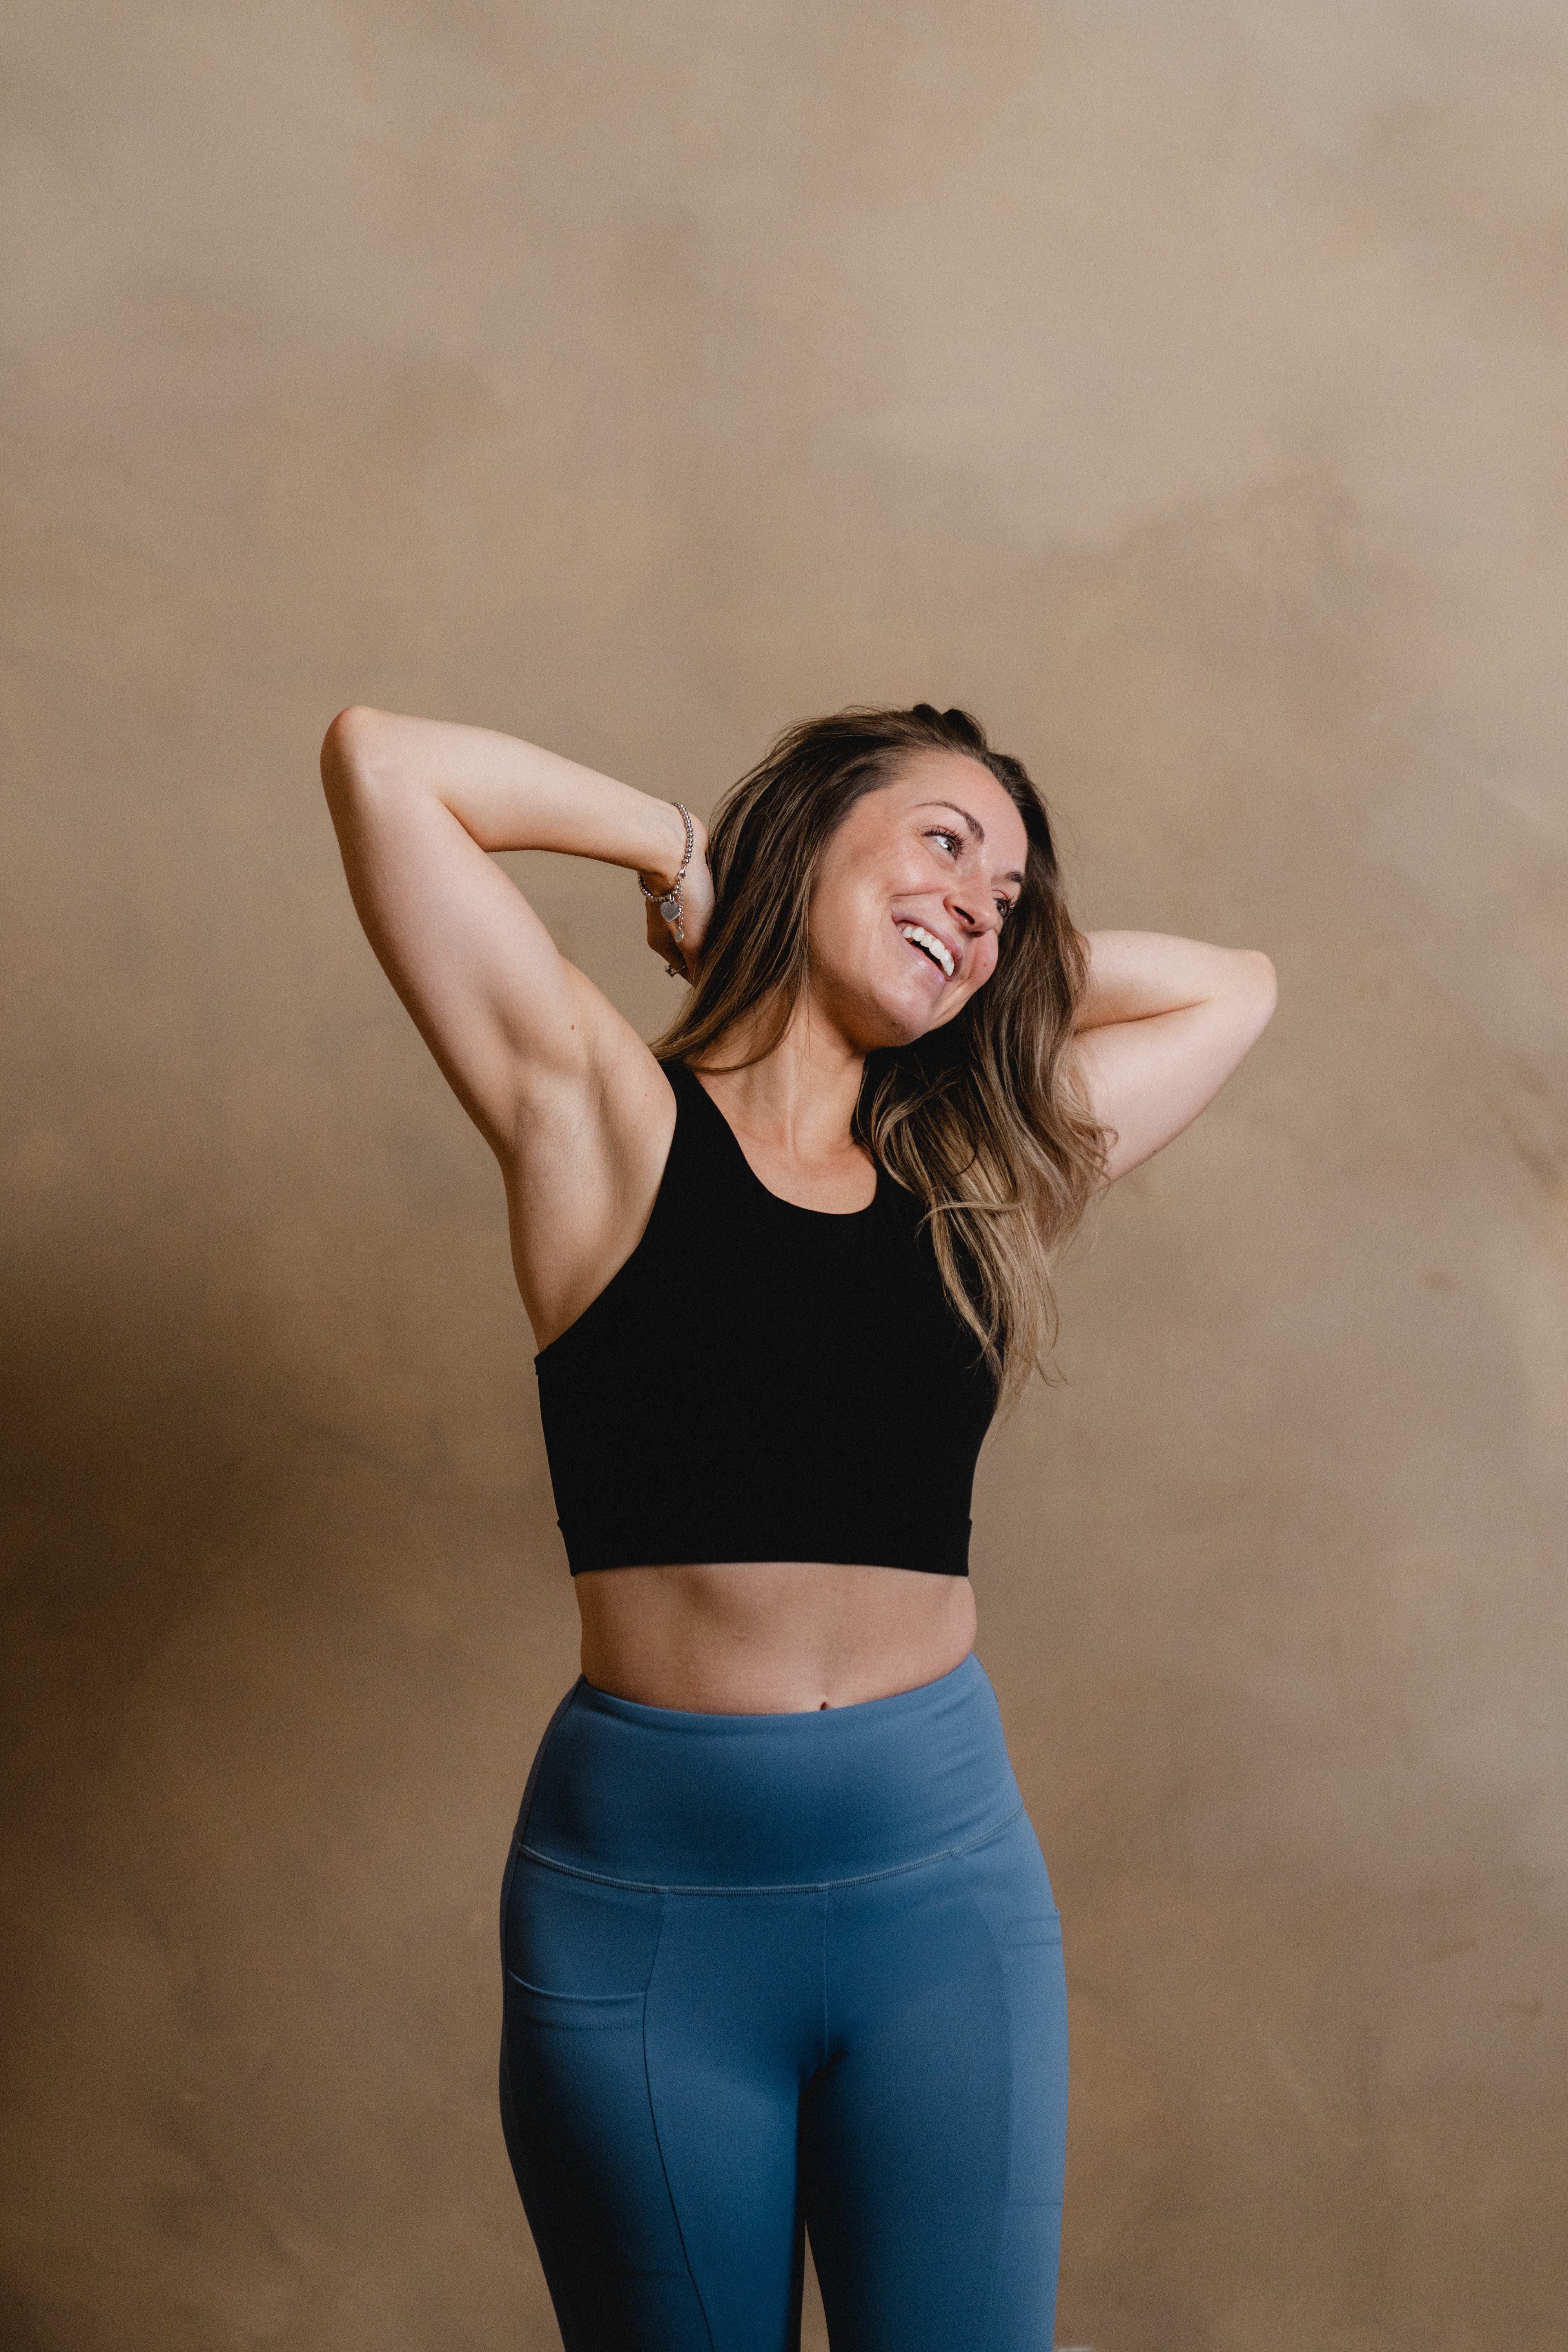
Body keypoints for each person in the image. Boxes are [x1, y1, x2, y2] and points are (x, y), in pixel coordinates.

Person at [320, 700, 1276, 2352]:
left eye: (1009, 900)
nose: (980, 907)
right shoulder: (601, 1122)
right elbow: (382, 763)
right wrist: (692, 859)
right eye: (944, 844)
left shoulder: (974, 1181)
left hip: (947, 1902)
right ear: (812, 835)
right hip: (647, 1915)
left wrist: (972, 963)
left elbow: (1235, 987)